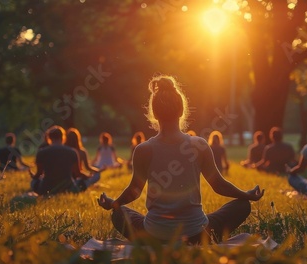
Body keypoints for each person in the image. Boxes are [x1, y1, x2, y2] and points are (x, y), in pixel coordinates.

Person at [97, 75, 264, 244]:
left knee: (118, 213)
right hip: (198, 234)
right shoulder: (199, 145)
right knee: (243, 205)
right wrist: (246, 195)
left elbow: (134, 191)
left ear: (154, 113)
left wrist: (113, 204)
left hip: (154, 236)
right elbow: (218, 185)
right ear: (182, 110)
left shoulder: (143, 149)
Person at [30, 126, 88, 195]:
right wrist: (87, 176)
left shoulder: (41, 152)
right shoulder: (72, 152)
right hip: (68, 188)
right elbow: (78, 173)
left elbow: (39, 174)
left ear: (49, 138)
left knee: (33, 182)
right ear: (63, 137)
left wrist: (33, 176)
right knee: (84, 182)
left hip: (46, 188)